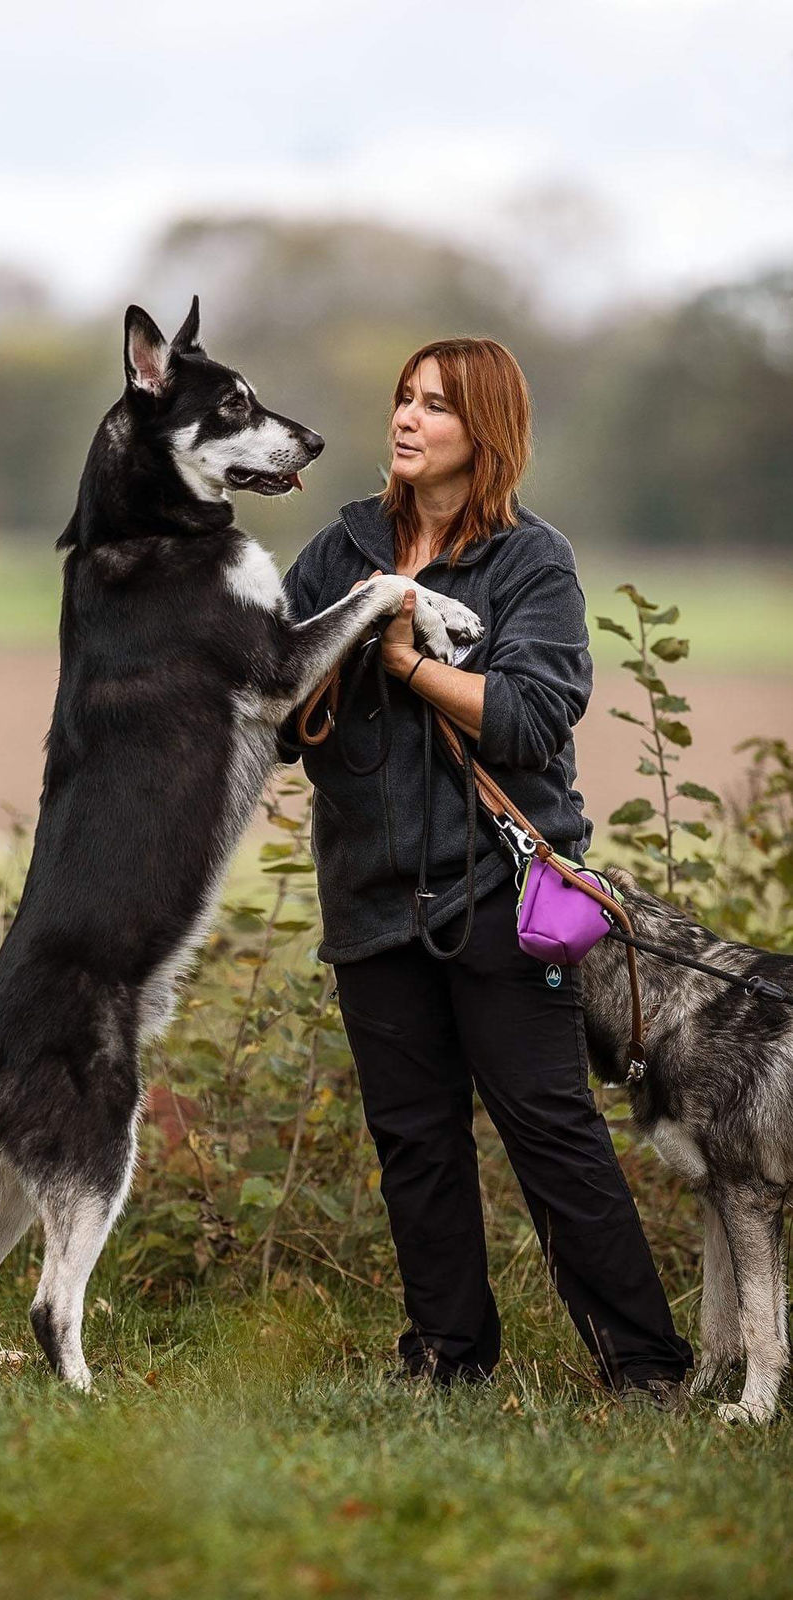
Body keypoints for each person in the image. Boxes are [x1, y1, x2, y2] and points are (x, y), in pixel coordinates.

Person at [280, 337, 693, 1407]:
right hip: (369, 896)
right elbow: (272, 701)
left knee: (550, 1134)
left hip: (498, 898)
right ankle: (449, 1361)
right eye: (402, 400)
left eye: (436, 406)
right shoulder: (343, 549)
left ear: (486, 432)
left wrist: (407, 657)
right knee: (412, 1144)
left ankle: (642, 1366)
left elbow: (529, 715)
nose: (407, 420)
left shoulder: (528, 560)